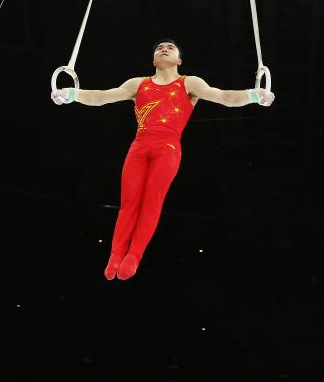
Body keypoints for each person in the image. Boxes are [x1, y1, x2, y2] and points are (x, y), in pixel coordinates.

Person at [50, 39, 274, 280]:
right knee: (129, 202)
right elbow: (102, 97)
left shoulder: (190, 83)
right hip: (138, 148)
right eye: (159, 48)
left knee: (151, 201)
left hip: (167, 148)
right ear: (153, 60)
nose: (164, 49)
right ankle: (115, 254)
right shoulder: (138, 84)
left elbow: (224, 97)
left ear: (179, 60)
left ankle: (134, 255)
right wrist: (71, 94)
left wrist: (254, 95)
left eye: (170, 48)